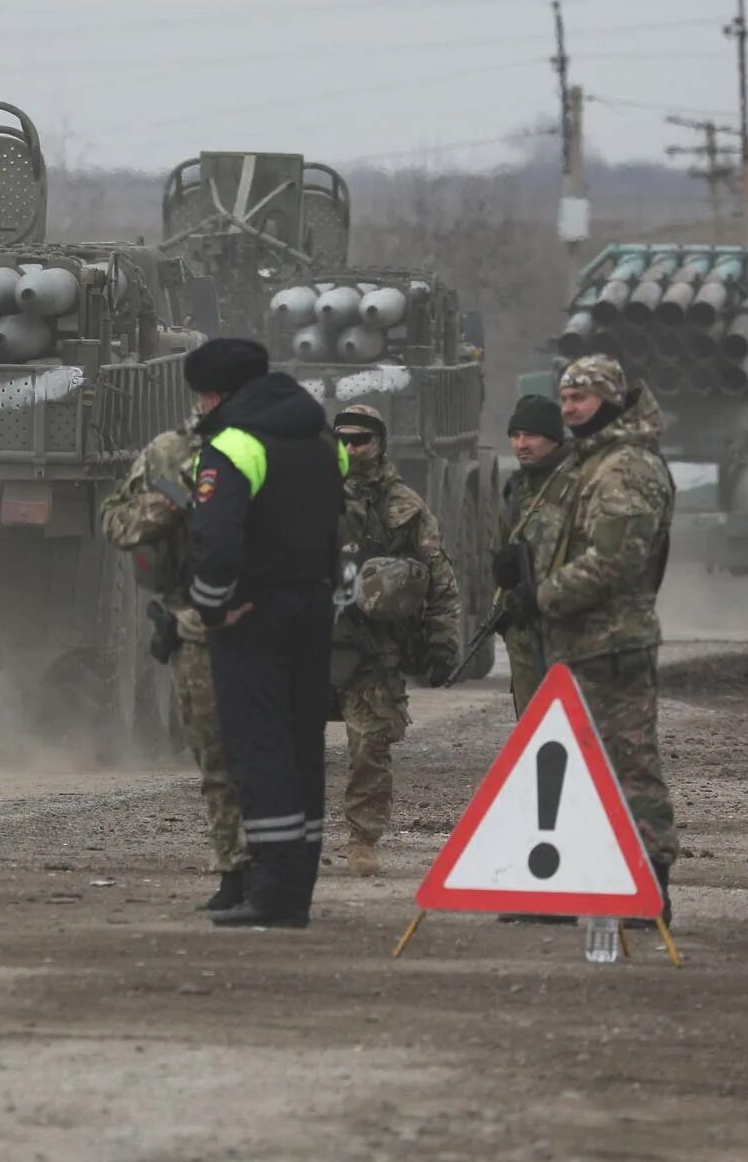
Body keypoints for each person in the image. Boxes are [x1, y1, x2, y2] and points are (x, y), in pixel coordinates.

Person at [505, 355, 681, 914]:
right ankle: (559, 884)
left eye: (579, 398)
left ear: (607, 399)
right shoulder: (590, 463)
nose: (569, 408)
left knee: (628, 767)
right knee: (563, 769)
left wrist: (541, 596)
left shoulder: (626, 467)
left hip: (612, 645)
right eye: (564, 399)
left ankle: (648, 889)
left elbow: (614, 562)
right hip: (574, 643)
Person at [183, 337, 347, 929]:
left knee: (260, 750)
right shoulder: (323, 438)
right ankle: (296, 887)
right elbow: (335, 521)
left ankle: (272, 893)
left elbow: (217, 539)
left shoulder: (232, 445)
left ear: (218, 394)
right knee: (304, 747)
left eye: (202, 396)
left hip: (253, 615)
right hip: (313, 606)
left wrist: (212, 607)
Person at [100, 419, 246, 910]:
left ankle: (277, 873)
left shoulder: (274, 449)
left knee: (266, 755)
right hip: (196, 624)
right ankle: (235, 871)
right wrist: (167, 506)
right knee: (212, 755)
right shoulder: (170, 454)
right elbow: (116, 520)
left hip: (266, 621)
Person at [327, 403, 462, 878]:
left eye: (360, 439)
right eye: (342, 438)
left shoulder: (403, 508)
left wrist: (444, 643)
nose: (350, 448)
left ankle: (362, 839)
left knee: (370, 745)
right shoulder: (309, 497)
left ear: (380, 443)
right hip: (315, 640)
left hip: (370, 646)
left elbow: (440, 581)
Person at [492, 394, 570, 715]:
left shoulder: (576, 484)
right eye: (515, 436)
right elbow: (501, 543)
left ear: (553, 439)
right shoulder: (516, 487)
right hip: (523, 628)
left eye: (531, 435)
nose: (521, 444)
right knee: (531, 726)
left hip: (566, 628)